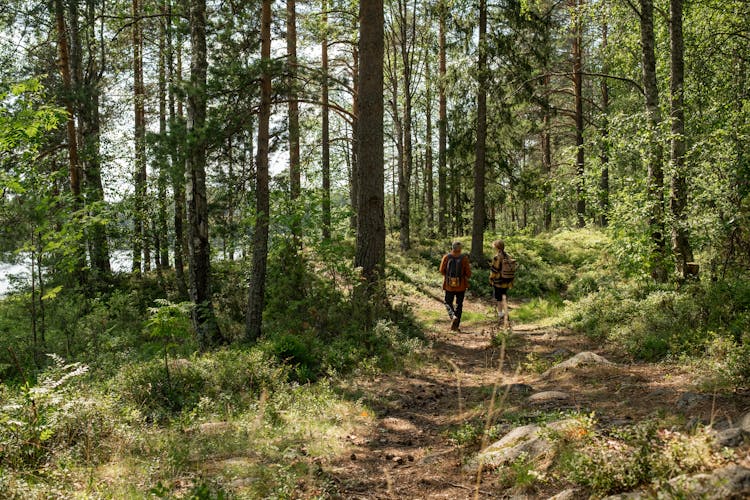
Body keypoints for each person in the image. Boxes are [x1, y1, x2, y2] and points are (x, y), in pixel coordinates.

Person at [439, 241, 472, 331]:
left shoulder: (446, 257)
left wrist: (449, 277)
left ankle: (452, 316)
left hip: (449, 285)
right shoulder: (464, 258)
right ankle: (456, 326)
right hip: (461, 286)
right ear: (460, 249)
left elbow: (441, 270)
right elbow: (468, 274)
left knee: (447, 302)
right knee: (459, 305)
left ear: (452, 248)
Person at [489, 240, 514, 324]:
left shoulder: (497, 257)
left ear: (497, 247)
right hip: (507, 280)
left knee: (498, 298)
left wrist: (491, 279)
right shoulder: (508, 256)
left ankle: (500, 315)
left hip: (498, 281)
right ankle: (505, 313)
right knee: (504, 297)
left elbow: (494, 270)